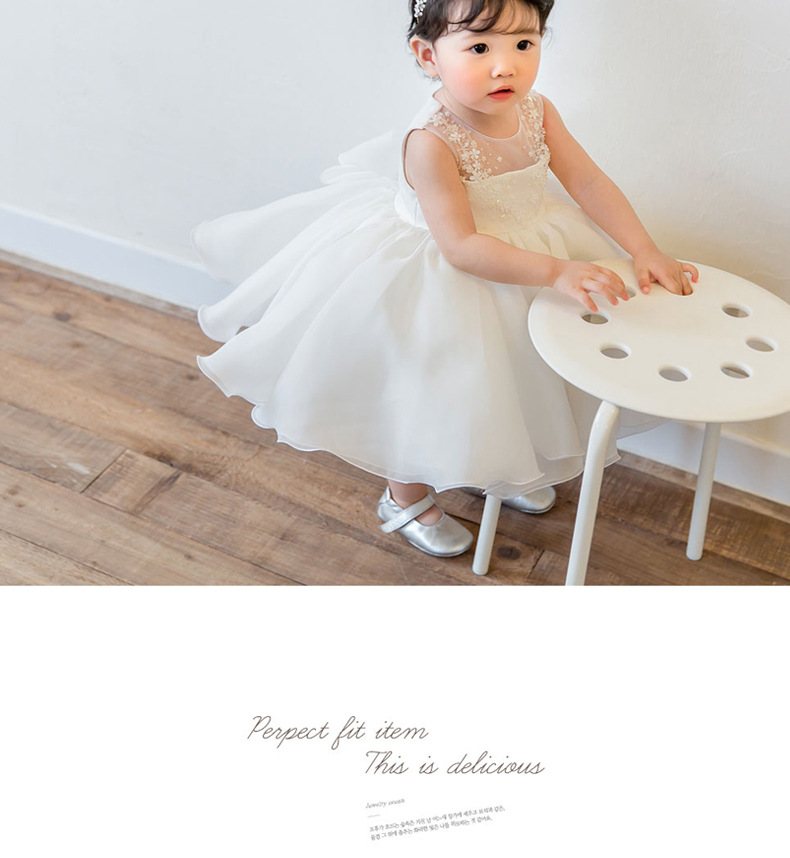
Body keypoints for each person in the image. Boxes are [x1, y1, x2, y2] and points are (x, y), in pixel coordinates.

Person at [194, 0, 698, 560]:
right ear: (428, 56)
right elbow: (460, 246)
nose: (505, 66)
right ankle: (403, 495)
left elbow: (589, 182)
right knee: (428, 387)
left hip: (525, 257)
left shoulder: (537, 111)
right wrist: (557, 271)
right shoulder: (431, 141)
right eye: (479, 47)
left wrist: (643, 248)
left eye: (524, 44)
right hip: (446, 273)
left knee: (513, 374)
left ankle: (497, 465)